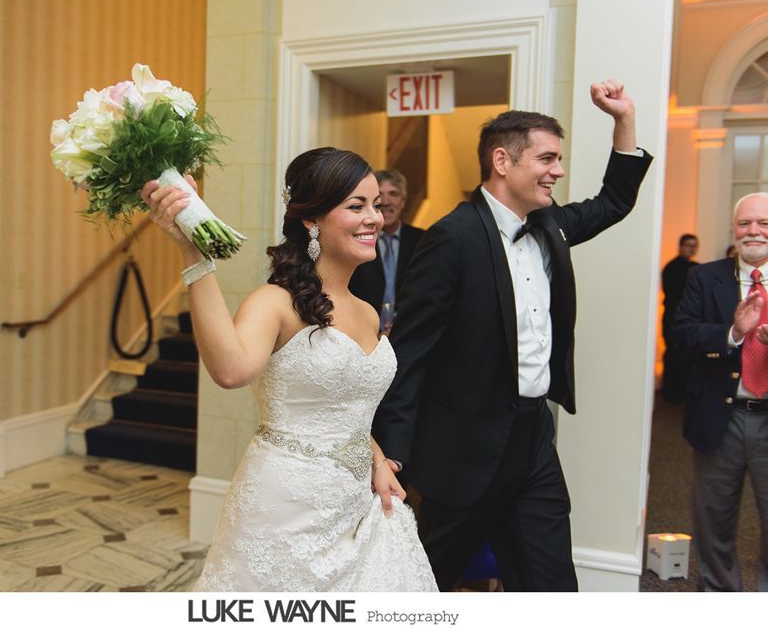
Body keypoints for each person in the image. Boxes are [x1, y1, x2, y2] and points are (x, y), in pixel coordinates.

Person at [372, 79, 652, 592]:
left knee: (550, 585)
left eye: (559, 159)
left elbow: (614, 201)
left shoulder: (551, 226)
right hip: (464, 448)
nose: (559, 170)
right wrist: (392, 455)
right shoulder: (450, 238)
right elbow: (408, 353)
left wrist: (624, 120)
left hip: (533, 439)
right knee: (423, 584)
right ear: (503, 161)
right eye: (547, 159)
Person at [143, 147, 437, 592]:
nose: (374, 217)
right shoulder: (274, 302)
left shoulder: (368, 313)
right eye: (356, 206)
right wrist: (193, 255)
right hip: (285, 509)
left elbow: (348, 406)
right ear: (311, 219)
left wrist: (377, 460)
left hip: (358, 505)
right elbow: (229, 370)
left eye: (376, 205)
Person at [670, 192, 768, 592]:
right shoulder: (703, 277)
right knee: (714, 526)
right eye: (745, 223)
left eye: (763, 223)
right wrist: (732, 333)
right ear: (734, 229)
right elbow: (679, 335)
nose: (754, 231)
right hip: (718, 421)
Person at [348, 169, 424, 334]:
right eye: (380, 195)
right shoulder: (357, 237)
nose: (386, 201)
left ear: (403, 201)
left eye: (394, 194)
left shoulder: (422, 241)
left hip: (407, 334)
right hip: (362, 332)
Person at [661, 234, 699, 402]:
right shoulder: (672, 268)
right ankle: (671, 392)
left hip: (689, 319)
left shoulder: (696, 268)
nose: (691, 248)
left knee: (687, 356)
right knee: (674, 355)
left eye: (694, 245)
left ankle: (681, 392)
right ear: (680, 246)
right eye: (688, 245)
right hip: (673, 317)